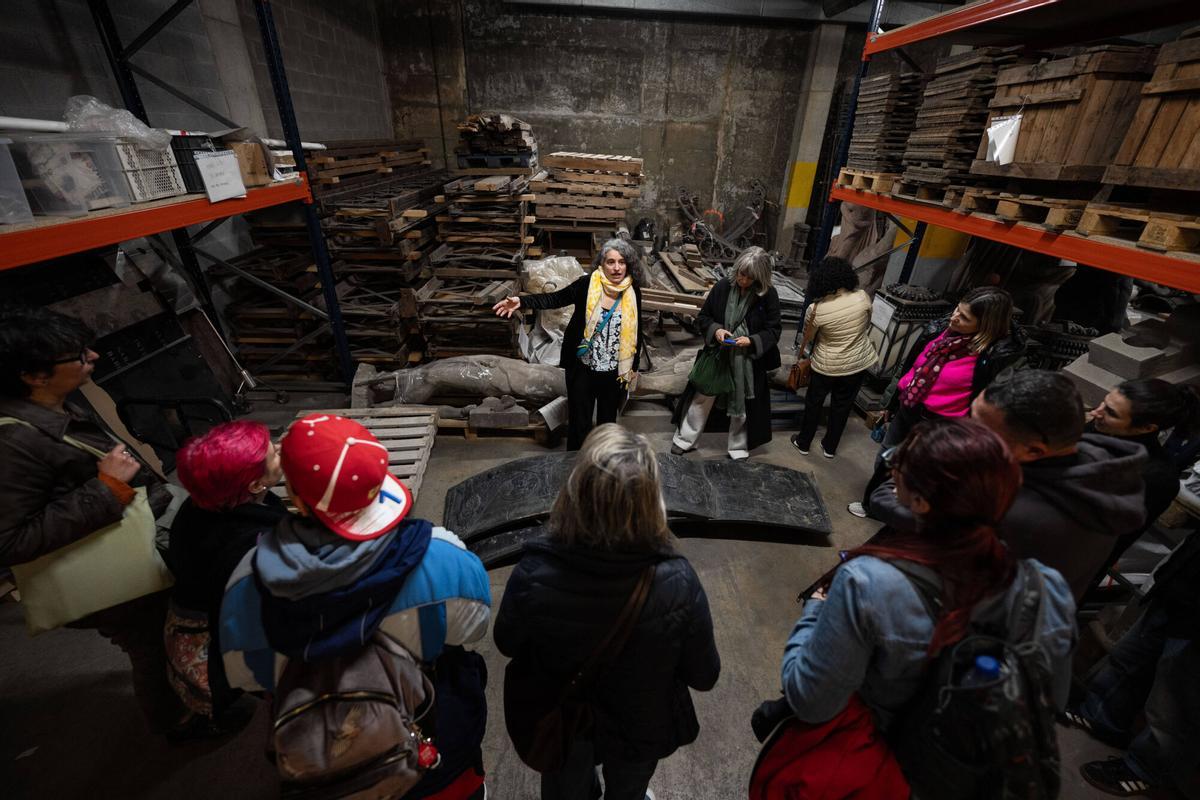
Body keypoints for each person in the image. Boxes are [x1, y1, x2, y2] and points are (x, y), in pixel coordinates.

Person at [776, 419, 1076, 794]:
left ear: (919, 501)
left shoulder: (867, 582)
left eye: (897, 464)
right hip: (974, 776)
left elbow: (809, 700)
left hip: (884, 772)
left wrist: (816, 610)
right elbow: (1049, 700)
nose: (891, 468)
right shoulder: (1047, 587)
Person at [220, 413, 492, 799]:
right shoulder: (444, 559)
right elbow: (474, 628)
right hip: (433, 742)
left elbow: (249, 677)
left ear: (295, 496)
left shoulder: (248, 580)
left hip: (326, 761)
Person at [495, 424, 720, 800]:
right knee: (628, 792)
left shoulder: (535, 570)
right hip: (639, 724)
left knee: (567, 790)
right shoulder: (678, 581)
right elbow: (704, 675)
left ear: (575, 491)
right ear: (652, 500)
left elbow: (506, 643)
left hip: (565, 720)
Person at [0, 304, 183, 735]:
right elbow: (8, 541)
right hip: (100, 571)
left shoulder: (48, 411)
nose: (93, 358)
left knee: (159, 634)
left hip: (113, 539)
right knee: (151, 646)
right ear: (34, 375)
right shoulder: (14, 441)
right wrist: (106, 488)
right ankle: (176, 724)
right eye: (79, 356)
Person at [872, 369, 1141, 603]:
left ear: (1034, 450)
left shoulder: (1022, 512)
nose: (963, 430)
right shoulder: (1086, 465)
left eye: (980, 427)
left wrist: (900, 493)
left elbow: (898, 506)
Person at [848, 285, 1024, 517]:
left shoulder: (993, 357)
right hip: (909, 408)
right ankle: (874, 503)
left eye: (965, 317)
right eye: (957, 310)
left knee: (920, 472)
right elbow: (912, 369)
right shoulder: (941, 331)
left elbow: (990, 403)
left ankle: (902, 514)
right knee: (887, 457)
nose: (954, 317)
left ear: (985, 325)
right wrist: (892, 404)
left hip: (940, 425)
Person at [165, 420, 286, 732]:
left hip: (189, 613)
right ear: (256, 485)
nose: (281, 454)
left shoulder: (202, 505)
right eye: (274, 455)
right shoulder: (249, 544)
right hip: (214, 639)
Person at [1071, 523, 1200, 798]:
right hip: (1183, 582)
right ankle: (1102, 717)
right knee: (1130, 657)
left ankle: (1146, 769)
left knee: (1174, 701)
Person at [493, 238, 644, 450]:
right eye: (610, 262)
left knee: (608, 425)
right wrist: (522, 301)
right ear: (601, 264)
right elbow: (555, 298)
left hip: (614, 370)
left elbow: (638, 330)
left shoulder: (632, 291)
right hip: (583, 368)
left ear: (629, 264)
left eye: (621, 261)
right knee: (579, 424)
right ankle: (574, 465)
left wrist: (634, 366)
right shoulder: (586, 285)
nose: (617, 267)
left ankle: (604, 463)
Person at [671, 247, 782, 459]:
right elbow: (704, 317)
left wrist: (751, 340)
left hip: (747, 361)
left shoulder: (767, 295)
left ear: (759, 278)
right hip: (718, 355)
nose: (742, 280)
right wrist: (717, 330)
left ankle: (738, 448)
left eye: (749, 277)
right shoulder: (723, 287)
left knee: (742, 404)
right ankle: (684, 440)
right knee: (702, 397)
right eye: (740, 273)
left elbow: (774, 329)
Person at [790, 256, 877, 459]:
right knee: (842, 406)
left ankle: (803, 442)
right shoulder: (863, 297)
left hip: (826, 366)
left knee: (814, 403)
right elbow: (866, 324)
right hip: (858, 363)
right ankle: (830, 447)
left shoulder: (817, 309)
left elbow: (808, 337)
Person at [1088, 378, 1200, 523]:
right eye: (1104, 402)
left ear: (1147, 428)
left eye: (1111, 413)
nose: (1095, 412)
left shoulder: (1156, 478)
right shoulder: (1101, 426)